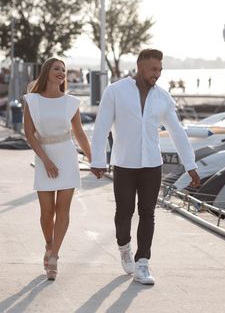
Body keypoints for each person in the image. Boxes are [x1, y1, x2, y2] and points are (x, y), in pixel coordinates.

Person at [90, 49, 200, 285]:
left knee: (147, 213)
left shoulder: (163, 97)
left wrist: (190, 164)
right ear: (140, 67)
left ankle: (143, 262)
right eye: (154, 69)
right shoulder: (116, 92)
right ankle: (124, 248)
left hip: (152, 164)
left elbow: (177, 132)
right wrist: (98, 160)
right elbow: (101, 128)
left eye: (160, 69)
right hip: (124, 163)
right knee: (124, 211)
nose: (157, 74)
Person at [23, 57, 91, 280]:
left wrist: (94, 158)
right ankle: (49, 244)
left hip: (67, 156)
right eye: (57, 68)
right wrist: (45, 160)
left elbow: (79, 133)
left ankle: (54, 256)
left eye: (64, 69)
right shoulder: (31, 100)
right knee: (46, 212)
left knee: (63, 210)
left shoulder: (71, 102)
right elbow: (30, 135)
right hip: (45, 157)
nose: (61, 72)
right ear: (47, 72)